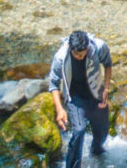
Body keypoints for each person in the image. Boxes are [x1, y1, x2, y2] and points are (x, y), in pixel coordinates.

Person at [48, 29, 112, 168]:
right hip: (75, 96)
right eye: (77, 55)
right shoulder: (60, 57)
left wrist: (106, 89)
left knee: (103, 128)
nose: (80, 57)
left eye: (83, 54)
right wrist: (60, 110)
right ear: (70, 48)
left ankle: (96, 152)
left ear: (87, 47)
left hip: (96, 93)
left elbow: (108, 64)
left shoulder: (99, 47)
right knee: (79, 130)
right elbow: (53, 84)